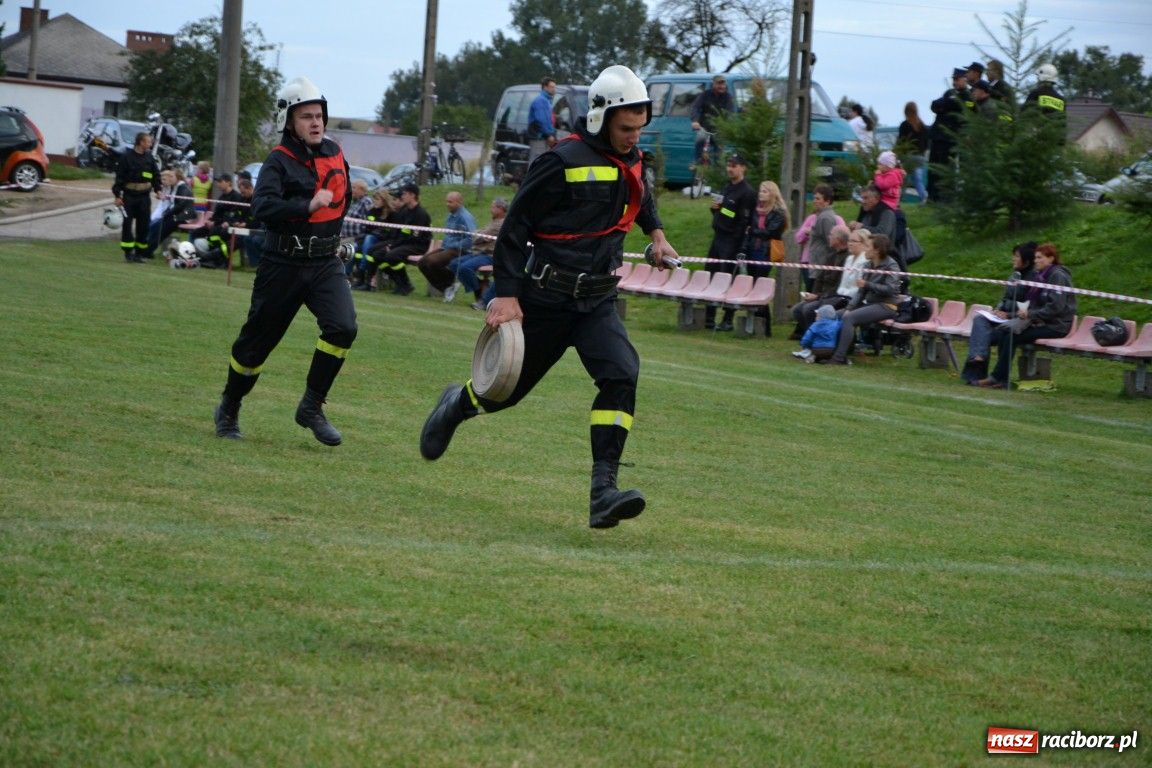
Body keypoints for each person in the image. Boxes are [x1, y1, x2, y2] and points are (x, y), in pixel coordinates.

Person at [418, 64, 681, 530]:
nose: (633, 138)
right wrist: (506, 295)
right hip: (545, 299)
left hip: (597, 301)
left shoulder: (632, 157)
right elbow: (513, 230)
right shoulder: (560, 161)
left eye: (640, 129)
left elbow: (641, 196)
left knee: (622, 375)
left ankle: (603, 491)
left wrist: (657, 235)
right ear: (601, 117)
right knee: (503, 395)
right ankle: (455, 406)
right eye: (626, 129)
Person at [213, 76, 356, 447]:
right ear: (289, 121)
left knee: (343, 328)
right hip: (283, 263)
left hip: (325, 262)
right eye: (306, 115)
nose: (315, 122)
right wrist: (304, 206)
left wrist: (333, 237)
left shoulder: (336, 152)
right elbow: (261, 208)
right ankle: (230, 405)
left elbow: (345, 199)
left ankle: (311, 407)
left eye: (319, 115)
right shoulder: (278, 161)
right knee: (255, 347)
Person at [975, 243, 1075, 388]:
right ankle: (999, 378)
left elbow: (1056, 308)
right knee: (1005, 332)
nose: (1036, 261)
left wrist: (1031, 314)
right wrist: (1009, 315)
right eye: (1035, 258)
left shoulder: (1057, 276)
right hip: (1039, 321)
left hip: (1056, 326)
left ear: (1051, 259)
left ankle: (998, 378)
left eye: (1040, 258)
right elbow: (1034, 305)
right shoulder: (1041, 276)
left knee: (1010, 335)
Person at [961, 241, 1038, 384]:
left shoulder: (1034, 280)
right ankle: (978, 359)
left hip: (1018, 321)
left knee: (985, 336)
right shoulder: (1014, 276)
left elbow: (1028, 307)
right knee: (980, 320)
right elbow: (1005, 298)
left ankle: (982, 373)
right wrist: (998, 309)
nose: (1013, 259)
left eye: (1016, 256)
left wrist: (1009, 314)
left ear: (1026, 261)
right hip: (1004, 317)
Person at [824, 233, 901, 365]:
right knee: (836, 315)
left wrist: (868, 284)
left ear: (877, 250)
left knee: (849, 318)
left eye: (867, 246)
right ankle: (831, 352)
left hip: (887, 306)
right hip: (870, 304)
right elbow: (861, 291)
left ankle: (838, 358)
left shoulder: (891, 266)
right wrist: (849, 308)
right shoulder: (867, 265)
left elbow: (891, 289)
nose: (865, 249)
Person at [704, 153, 757, 331]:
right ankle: (709, 317)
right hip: (717, 237)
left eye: (734, 165)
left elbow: (743, 220)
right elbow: (724, 212)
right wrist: (716, 211)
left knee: (728, 278)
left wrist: (739, 244)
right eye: (728, 165)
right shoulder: (727, 188)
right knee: (710, 275)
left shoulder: (747, 192)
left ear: (743, 168)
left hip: (732, 240)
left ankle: (727, 318)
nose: (730, 169)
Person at [361, 183, 431, 296]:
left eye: (404, 193)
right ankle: (398, 283)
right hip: (404, 242)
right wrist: (392, 245)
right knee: (374, 253)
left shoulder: (421, 214)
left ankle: (405, 284)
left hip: (418, 245)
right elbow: (401, 233)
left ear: (412, 195)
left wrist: (393, 246)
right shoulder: (405, 212)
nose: (402, 196)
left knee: (391, 255)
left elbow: (413, 237)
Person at [791, 225, 859, 337]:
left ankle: (818, 338)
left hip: (836, 297)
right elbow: (820, 278)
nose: (828, 237)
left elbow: (838, 286)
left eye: (831, 234)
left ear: (838, 239)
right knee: (797, 309)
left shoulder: (847, 258)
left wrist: (818, 296)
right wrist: (813, 294)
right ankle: (810, 334)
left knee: (808, 309)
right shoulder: (831, 255)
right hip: (823, 295)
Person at [447, 197, 508, 309]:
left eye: (493, 207)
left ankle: (482, 295)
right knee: (454, 264)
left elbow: (478, 236)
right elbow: (477, 235)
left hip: (489, 255)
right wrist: (479, 235)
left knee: (464, 268)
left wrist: (479, 235)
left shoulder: (501, 224)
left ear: (500, 209)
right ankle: (480, 287)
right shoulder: (494, 221)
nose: (491, 209)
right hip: (478, 253)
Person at [418, 191, 477, 301]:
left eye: (450, 202)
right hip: (447, 247)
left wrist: (455, 245)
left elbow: (471, 238)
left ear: (459, 203)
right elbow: (448, 234)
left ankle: (449, 281)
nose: (447, 204)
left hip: (459, 250)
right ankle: (446, 287)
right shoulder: (450, 216)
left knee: (432, 261)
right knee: (422, 263)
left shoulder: (466, 217)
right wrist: (445, 245)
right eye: (446, 201)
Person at [112, 131, 161, 263]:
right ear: (141, 142)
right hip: (129, 196)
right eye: (148, 141)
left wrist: (158, 190)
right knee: (127, 224)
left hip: (144, 197)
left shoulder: (150, 158)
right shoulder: (126, 157)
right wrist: (117, 196)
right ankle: (128, 252)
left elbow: (156, 175)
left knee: (144, 226)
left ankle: (139, 253)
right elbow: (119, 178)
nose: (150, 144)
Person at [928, 67, 971, 203]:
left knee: (946, 169)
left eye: (957, 79)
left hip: (950, 138)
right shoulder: (949, 92)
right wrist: (946, 105)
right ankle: (932, 196)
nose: (955, 82)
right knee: (933, 168)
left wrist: (946, 105)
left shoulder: (967, 95)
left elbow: (958, 106)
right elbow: (935, 105)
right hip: (938, 135)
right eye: (954, 79)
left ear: (965, 79)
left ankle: (946, 198)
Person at [743, 180, 789, 280]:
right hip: (752, 248)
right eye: (760, 191)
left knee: (760, 279)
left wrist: (752, 231)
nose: (761, 193)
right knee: (750, 279)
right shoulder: (755, 210)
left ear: (772, 194)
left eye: (764, 191)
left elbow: (769, 233)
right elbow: (747, 227)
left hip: (766, 251)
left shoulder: (778, 212)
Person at [145, 167, 195, 257]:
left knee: (163, 227)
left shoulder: (183, 188)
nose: (170, 178)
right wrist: (167, 214)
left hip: (184, 216)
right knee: (157, 225)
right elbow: (172, 204)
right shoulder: (174, 187)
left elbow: (180, 205)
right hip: (176, 215)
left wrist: (167, 214)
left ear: (178, 177)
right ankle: (147, 248)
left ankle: (148, 250)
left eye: (172, 176)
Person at [690, 75, 735, 164]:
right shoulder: (705, 94)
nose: (721, 86)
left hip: (719, 129)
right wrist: (695, 121)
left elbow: (730, 113)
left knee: (720, 152)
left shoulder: (728, 97)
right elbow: (695, 107)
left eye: (723, 84)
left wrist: (727, 126)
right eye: (719, 84)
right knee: (700, 139)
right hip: (704, 127)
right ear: (713, 84)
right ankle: (697, 163)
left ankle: (718, 171)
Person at [897, 101, 929, 203]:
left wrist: (897, 154)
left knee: (903, 180)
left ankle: (898, 200)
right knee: (918, 180)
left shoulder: (904, 125)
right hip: (920, 157)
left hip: (908, 156)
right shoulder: (923, 125)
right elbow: (926, 143)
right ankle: (923, 197)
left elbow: (901, 142)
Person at [527, 76, 558, 163]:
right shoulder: (540, 101)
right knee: (537, 161)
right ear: (545, 87)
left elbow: (548, 120)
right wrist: (549, 135)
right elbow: (541, 120)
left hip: (542, 136)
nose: (554, 89)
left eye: (554, 87)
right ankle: (533, 177)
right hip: (538, 137)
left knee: (542, 162)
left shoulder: (547, 101)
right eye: (551, 87)